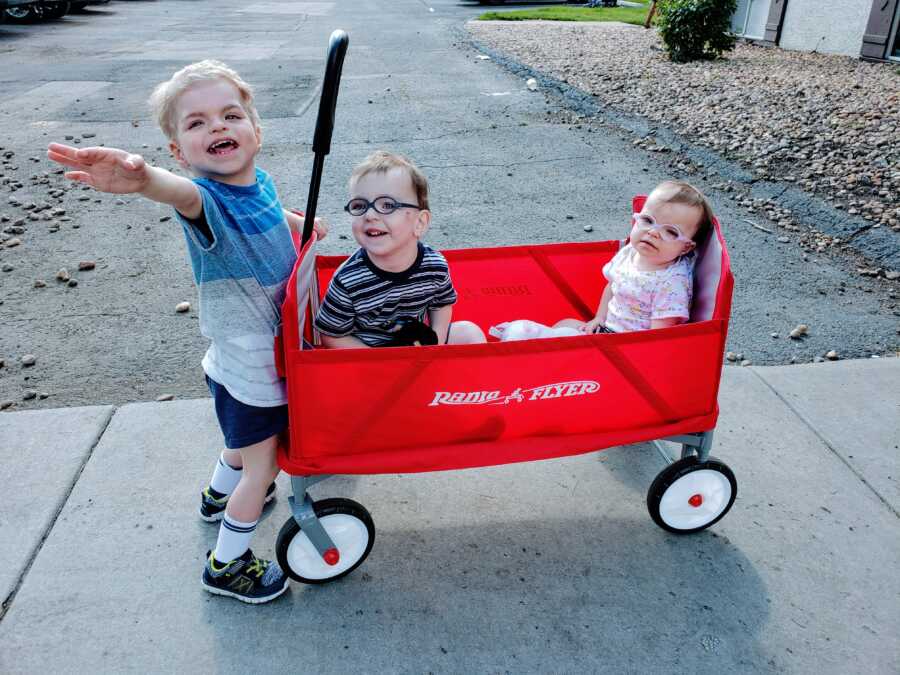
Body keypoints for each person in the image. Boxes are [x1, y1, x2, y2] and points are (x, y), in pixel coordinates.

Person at [46, 60, 328, 604]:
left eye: (230, 115)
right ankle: (227, 565)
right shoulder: (208, 201)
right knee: (263, 464)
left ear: (256, 131)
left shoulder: (257, 182)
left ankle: (213, 498)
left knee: (241, 446)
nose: (217, 128)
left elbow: (270, 207)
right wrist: (144, 179)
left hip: (236, 359)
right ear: (179, 152)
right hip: (253, 367)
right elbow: (179, 195)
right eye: (196, 124)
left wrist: (299, 224)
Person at [315, 151, 485, 348]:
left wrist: (435, 343)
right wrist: (382, 363)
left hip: (417, 346)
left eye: (387, 205)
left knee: (468, 332)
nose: (369, 214)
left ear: (419, 223)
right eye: (360, 205)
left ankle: (473, 378)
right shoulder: (348, 280)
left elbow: (441, 303)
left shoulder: (434, 266)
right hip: (369, 357)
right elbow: (331, 335)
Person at [555, 180, 712, 334]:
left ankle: (534, 341)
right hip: (606, 330)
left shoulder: (671, 283)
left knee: (557, 338)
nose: (653, 232)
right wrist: (599, 318)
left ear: (686, 247)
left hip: (629, 349)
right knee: (565, 323)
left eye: (670, 231)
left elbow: (659, 337)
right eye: (647, 220)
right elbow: (612, 286)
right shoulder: (629, 252)